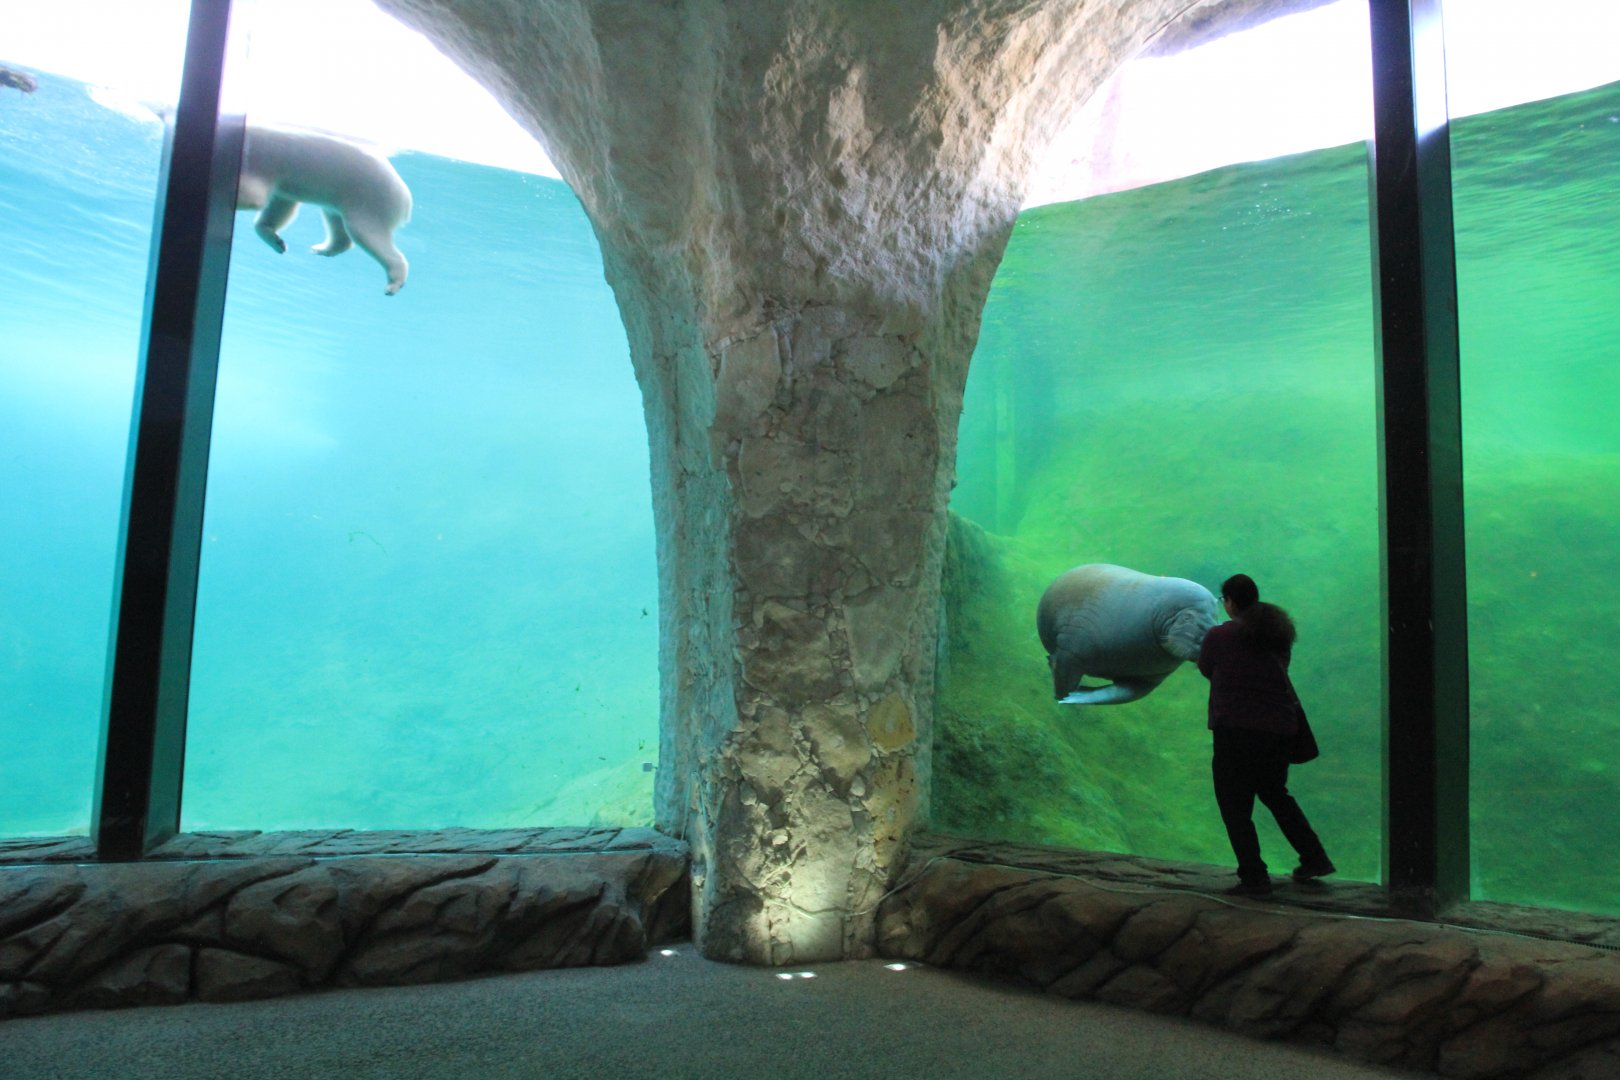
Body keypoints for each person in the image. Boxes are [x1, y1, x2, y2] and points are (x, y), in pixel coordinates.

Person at [1196, 573, 1335, 897]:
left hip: (1236, 731)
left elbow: (1206, 668)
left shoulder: (1220, 635)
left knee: (1234, 805)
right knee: (1275, 794)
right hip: (1279, 731)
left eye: (1224, 600)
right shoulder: (1278, 633)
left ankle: (1254, 877)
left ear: (1229, 602)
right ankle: (1315, 858)